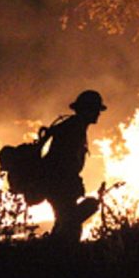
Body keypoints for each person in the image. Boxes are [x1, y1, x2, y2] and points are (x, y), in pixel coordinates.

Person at [42, 90, 105, 242]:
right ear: (86, 110)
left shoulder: (75, 127)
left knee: (65, 222)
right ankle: (61, 258)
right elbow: (64, 161)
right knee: (70, 226)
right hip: (59, 184)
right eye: (95, 109)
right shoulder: (73, 129)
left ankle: (52, 253)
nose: (98, 113)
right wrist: (72, 184)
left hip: (59, 184)